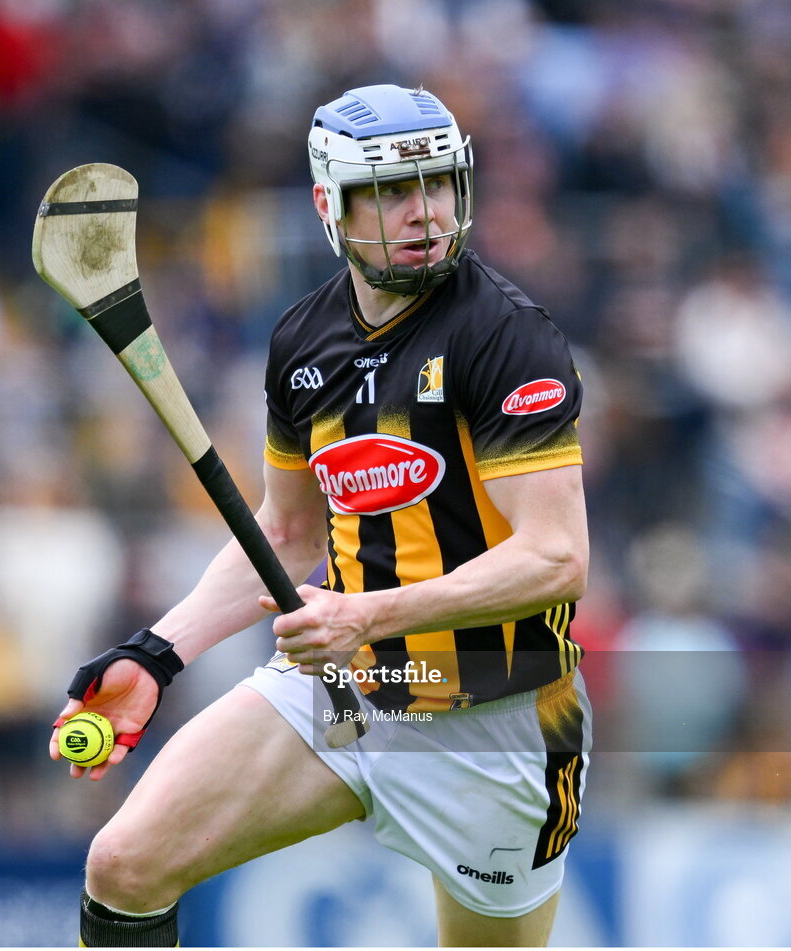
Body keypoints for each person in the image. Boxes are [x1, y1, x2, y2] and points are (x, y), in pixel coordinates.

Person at [50, 84, 591, 948]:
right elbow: (287, 530)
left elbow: (556, 558)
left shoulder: (508, 336)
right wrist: (159, 653)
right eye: (391, 191)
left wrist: (363, 613)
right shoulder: (303, 344)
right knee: (124, 865)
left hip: (500, 720)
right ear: (328, 205)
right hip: (342, 692)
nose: (425, 213)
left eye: (439, 185)